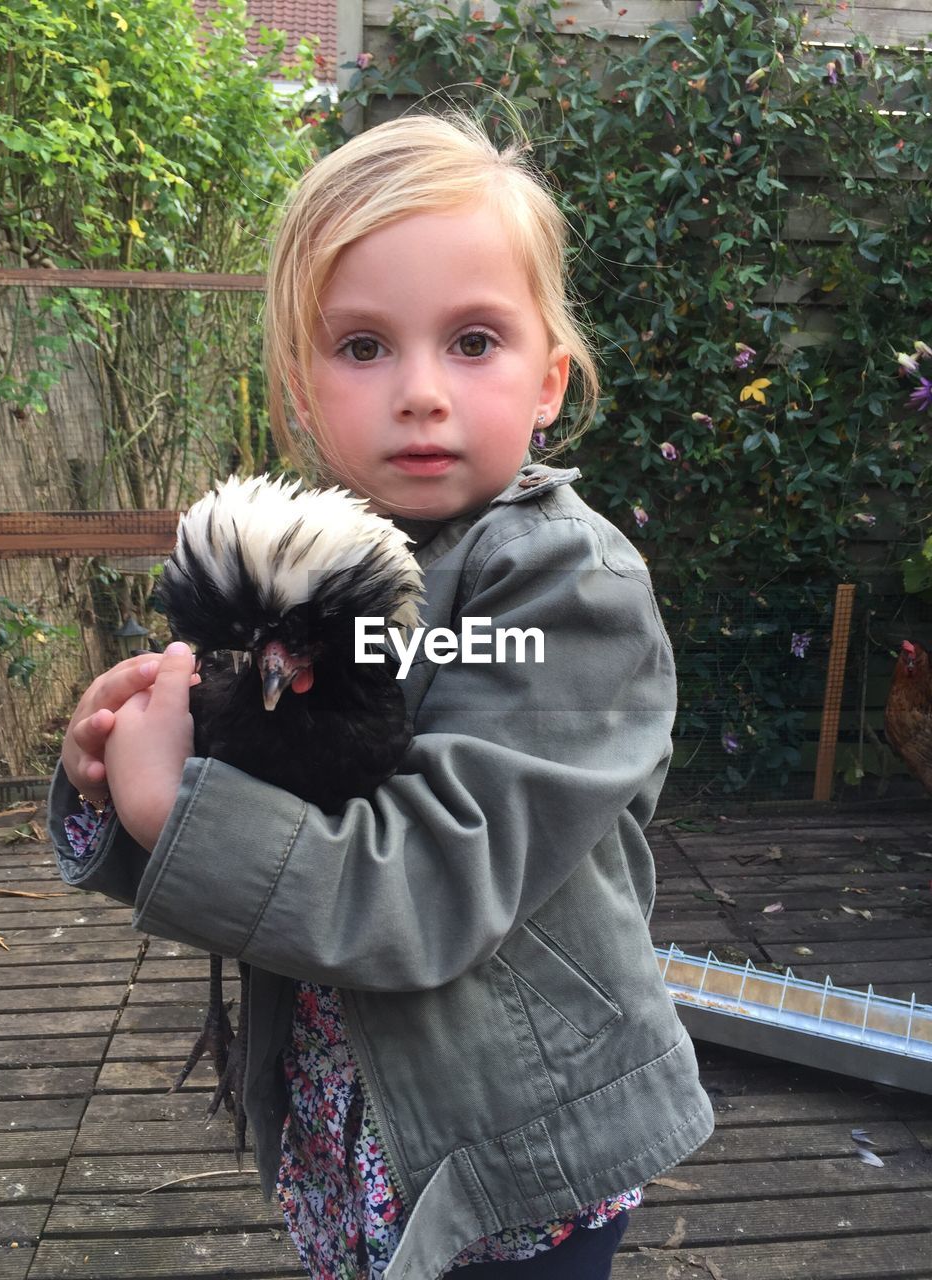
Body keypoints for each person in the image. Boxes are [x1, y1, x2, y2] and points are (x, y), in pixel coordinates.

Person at [50, 114, 714, 1279]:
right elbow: (274, 802)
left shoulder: (564, 585)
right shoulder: (308, 568)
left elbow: (428, 876)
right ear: (303, 391)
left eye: (472, 339)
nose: (418, 392)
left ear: (549, 378)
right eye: (362, 347)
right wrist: (112, 766)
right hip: (349, 1130)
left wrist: (180, 809)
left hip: (520, 1150)